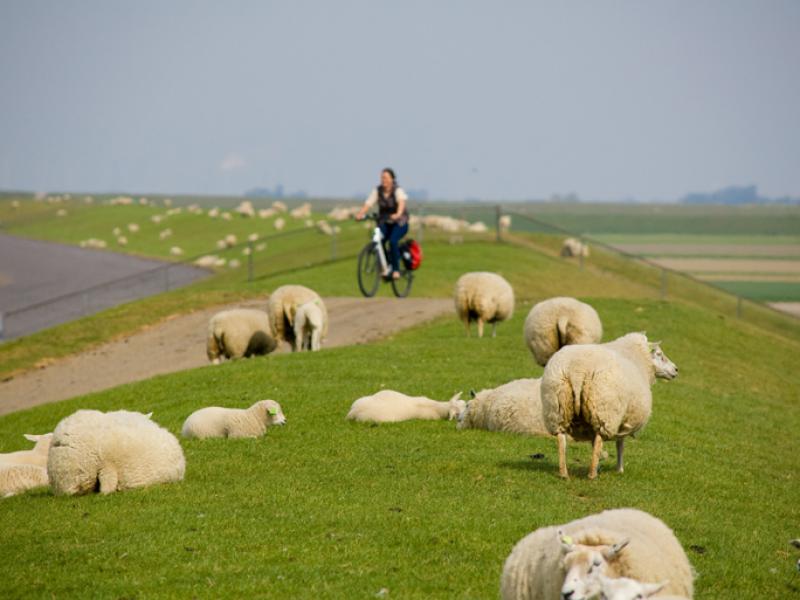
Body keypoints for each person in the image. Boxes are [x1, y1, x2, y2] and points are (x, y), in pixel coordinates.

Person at [356, 167, 409, 280]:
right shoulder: (377, 190)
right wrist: (361, 213)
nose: (383, 179)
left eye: (385, 177)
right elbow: (368, 203)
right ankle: (385, 267)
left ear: (392, 179)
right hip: (385, 221)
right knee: (379, 240)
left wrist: (398, 214)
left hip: (399, 223)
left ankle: (396, 269)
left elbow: (401, 203)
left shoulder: (397, 190)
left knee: (393, 241)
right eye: (382, 177)